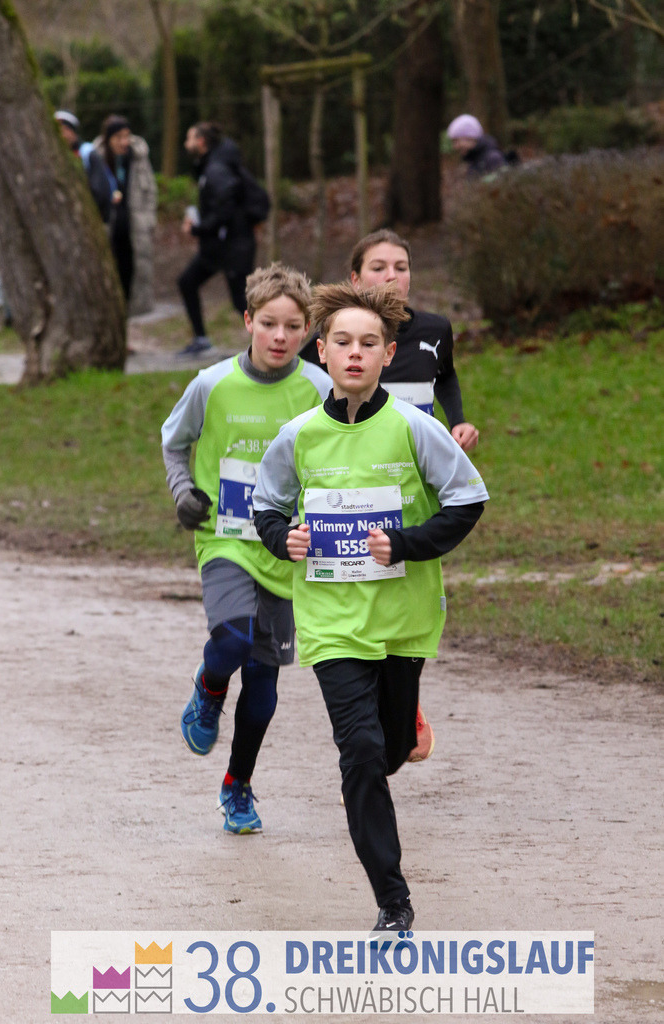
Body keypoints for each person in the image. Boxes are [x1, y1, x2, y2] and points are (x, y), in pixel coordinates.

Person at [253, 282, 489, 930]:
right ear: (320, 353)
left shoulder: (415, 427)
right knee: (357, 752)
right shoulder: (296, 435)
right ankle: (393, 901)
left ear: (387, 355)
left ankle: (396, 740)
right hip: (330, 621)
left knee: (382, 750)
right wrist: (285, 538)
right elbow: (267, 508)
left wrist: (406, 545)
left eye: (367, 344)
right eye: (341, 343)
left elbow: (468, 500)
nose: (353, 354)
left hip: (403, 619)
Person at [161, 263, 330, 835]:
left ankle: (238, 786)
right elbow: (174, 443)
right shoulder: (211, 384)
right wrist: (184, 493)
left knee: (263, 687)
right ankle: (208, 689)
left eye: (291, 326)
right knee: (231, 635)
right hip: (226, 538)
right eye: (268, 324)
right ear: (247, 322)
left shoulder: (320, 389)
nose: (279, 337)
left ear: (308, 331)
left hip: (287, 547)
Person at [300, 228, 479, 761]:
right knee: (356, 601)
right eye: (378, 267)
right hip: (353, 483)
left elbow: (445, 379)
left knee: (406, 599)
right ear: (356, 279)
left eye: (401, 266)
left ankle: (398, 712)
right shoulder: (337, 341)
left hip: (414, 485)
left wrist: (459, 423)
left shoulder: (434, 330)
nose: (392, 276)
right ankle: (365, 752)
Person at [176, 122, 258, 358]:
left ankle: (278, 342)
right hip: (216, 247)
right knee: (187, 282)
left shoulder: (217, 170)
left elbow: (225, 207)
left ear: (201, 142)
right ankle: (201, 339)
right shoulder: (209, 166)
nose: (186, 144)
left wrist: (200, 228)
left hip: (233, 247)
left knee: (240, 300)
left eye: (189, 138)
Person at [94, 115, 157, 315]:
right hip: (108, 230)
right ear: (108, 138)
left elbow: (150, 191)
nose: (124, 142)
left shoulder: (138, 157)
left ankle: (127, 325)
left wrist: (148, 221)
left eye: (127, 136)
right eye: (119, 137)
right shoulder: (97, 158)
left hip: (134, 230)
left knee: (132, 277)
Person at [54, 110, 111, 222]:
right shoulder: (57, 155)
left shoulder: (88, 152)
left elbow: (101, 189)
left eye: (65, 129)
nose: (62, 134)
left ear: (73, 131)